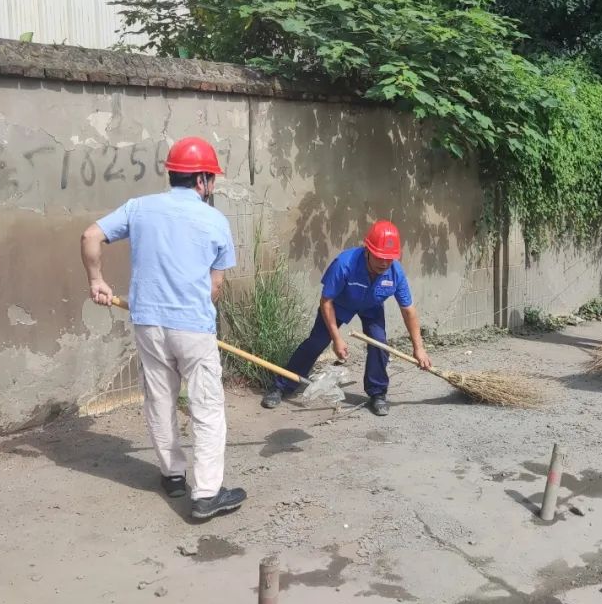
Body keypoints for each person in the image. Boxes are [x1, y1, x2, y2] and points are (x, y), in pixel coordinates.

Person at [80, 136, 246, 521]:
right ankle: (206, 494)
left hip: (148, 323)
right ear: (202, 180)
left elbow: (90, 236)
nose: (212, 185)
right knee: (206, 406)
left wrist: (97, 280)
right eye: (212, 178)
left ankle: (172, 475)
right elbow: (215, 286)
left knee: (160, 398)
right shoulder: (215, 220)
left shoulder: (139, 208)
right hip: (192, 326)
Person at [261, 221, 431, 416]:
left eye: (389, 258)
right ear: (368, 250)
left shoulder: (395, 273)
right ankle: (281, 386)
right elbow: (326, 301)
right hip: (338, 305)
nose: (384, 263)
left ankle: (377, 393)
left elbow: (408, 311)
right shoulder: (345, 264)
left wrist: (419, 348)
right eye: (380, 257)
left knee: (379, 344)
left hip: (371, 307)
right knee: (316, 343)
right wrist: (337, 339)